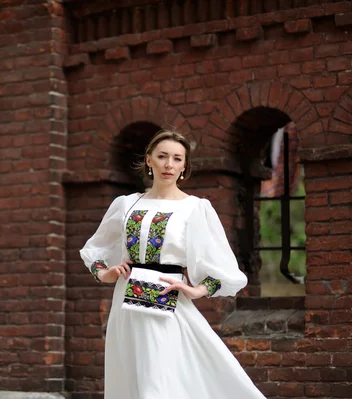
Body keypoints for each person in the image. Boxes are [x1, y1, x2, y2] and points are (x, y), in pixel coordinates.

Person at [80, 130, 266, 399]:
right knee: (131, 380)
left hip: (168, 302)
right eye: (163, 156)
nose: (169, 164)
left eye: (177, 159)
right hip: (126, 305)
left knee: (160, 383)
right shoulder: (125, 204)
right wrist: (104, 274)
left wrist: (197, 290)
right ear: (149, 160)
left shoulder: (195, 208)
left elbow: (221, 267)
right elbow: (95, 248)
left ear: (184, 166)